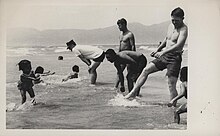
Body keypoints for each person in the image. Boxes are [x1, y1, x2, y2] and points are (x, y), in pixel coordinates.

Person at [125, 7, 188, 102]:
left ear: (183, 18)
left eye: (177, 21)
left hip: (174, 58)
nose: (174, 22)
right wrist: (158, 49)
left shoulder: (184, 29)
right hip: (164, 55)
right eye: (173, 20)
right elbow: (167, 39)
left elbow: (179, 46)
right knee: (146, 70)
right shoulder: (170, 26)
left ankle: (173, 107)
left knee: (171, 85)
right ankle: (133, 92)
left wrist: (163, 52)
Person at [114, 18, 136, 89]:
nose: (119, 28)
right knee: (119, 71)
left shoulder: (130, 34)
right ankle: (116, 87)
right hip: (121, 56)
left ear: (124, 25)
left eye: (120, 26)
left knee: (130, 73)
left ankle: (134, 88)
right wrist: (117, 55)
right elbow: (120, 45)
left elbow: (133, 46)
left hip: (128, 56)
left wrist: (133, 57)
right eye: (118, 26)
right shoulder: (120, 34)